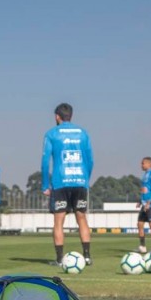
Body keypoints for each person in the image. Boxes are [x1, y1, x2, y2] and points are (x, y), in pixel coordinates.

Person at [41, 103, 93, 266]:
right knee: (82, 218)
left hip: (60, 181)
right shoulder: (83, 133)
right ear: (71, 115)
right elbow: (90, 160)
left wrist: (45, 185)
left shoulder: (51, 134)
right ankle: (86, 256)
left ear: (57, 116)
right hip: (80, 181)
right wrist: (85, 179)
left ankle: (59, 259)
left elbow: (44, 162)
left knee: (59, 221)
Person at [136, 156, 151, 254]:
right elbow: (144, 190)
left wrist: (149, 202)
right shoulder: (145, 175)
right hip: (144, 203)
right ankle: (142, 246)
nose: (141, 165)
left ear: (149, 164)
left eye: (143, 163)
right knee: (140, 224)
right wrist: (140, 200)